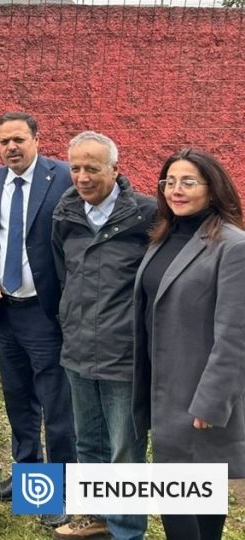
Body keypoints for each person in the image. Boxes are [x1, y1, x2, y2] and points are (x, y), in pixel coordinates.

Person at [133, 148, 245, 540]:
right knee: (196, 494)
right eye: (169, 182)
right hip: (162, 388)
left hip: (198, 397)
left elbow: (235, 334)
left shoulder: (233, 246)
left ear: (212, 190)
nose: (176, 190)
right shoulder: (162, 237)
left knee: (182, 499)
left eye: (188, 182)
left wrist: (212, 402)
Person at [0, 111, 75, 517]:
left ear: (36, 139)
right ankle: (29, 474)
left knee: (57, 406)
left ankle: (58, 489)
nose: (11, 147)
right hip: (5, 311)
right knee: (18, 401)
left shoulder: (63, 177)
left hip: (46, 313)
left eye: (18, 139)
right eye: (3, 141)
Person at [51, 131, 154, 540]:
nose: (81, 176)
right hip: (77, 349)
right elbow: (63, 274)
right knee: (88, 442)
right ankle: (95, 517)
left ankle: (127, 530)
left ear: (115, 168)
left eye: (92, 168)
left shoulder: (146, 215)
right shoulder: (66, 214)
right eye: (75, 167)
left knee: (125, 451)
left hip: (123, 355)